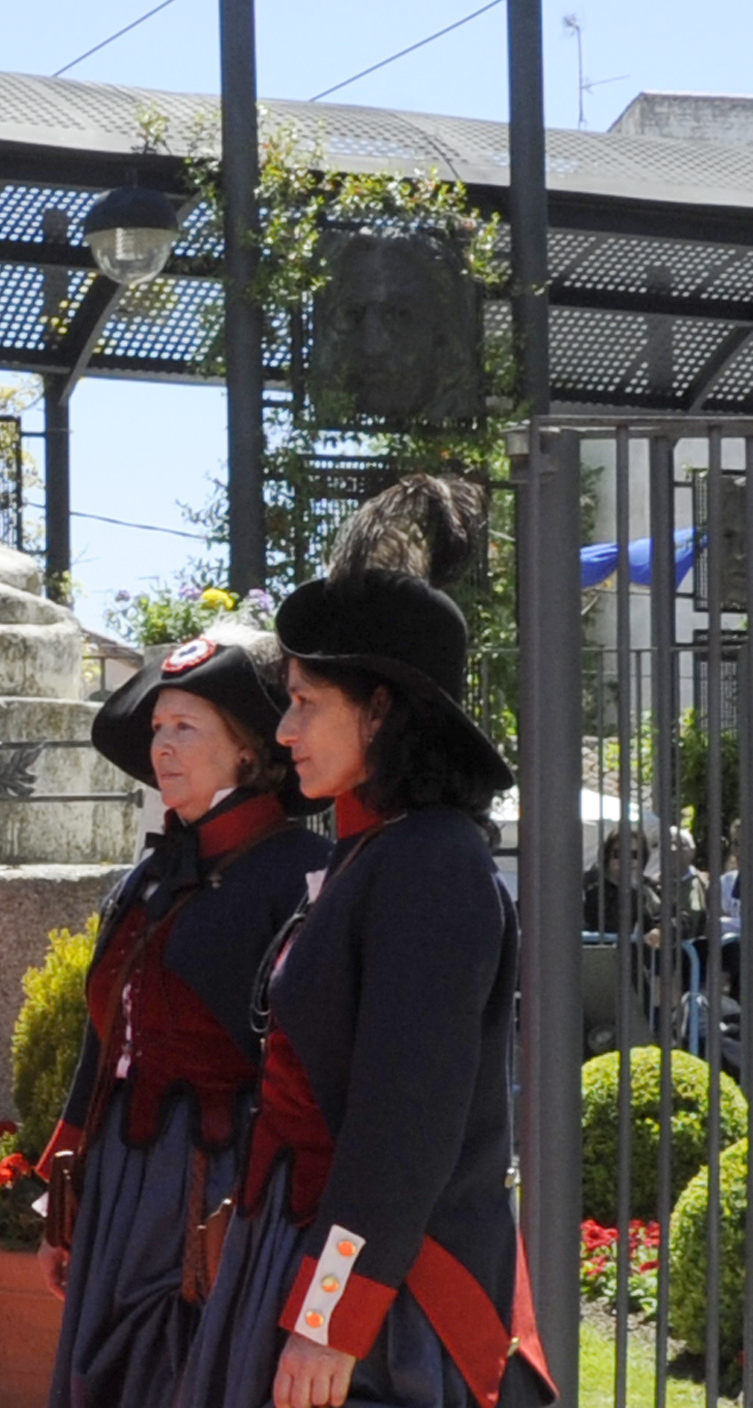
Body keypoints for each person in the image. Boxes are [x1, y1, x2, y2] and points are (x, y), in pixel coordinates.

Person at [177, 479, 554, 1408]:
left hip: (393, 1310)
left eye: (306, 703)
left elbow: (402, 1129)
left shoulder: (431, 863)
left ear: (379, 711)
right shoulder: (374, 853)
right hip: (313, 1259)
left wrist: (329, 1318)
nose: (285, 730)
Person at [36, 627, 330, 1408]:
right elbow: (103, 1049)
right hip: (121, 1179)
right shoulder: (146, 879)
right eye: (158, 727)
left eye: (187, 727)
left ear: (248, 753)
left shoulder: (299, 874)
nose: (162, 746)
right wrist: (61, 1207)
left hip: (220, 1185)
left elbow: (309, 1065)